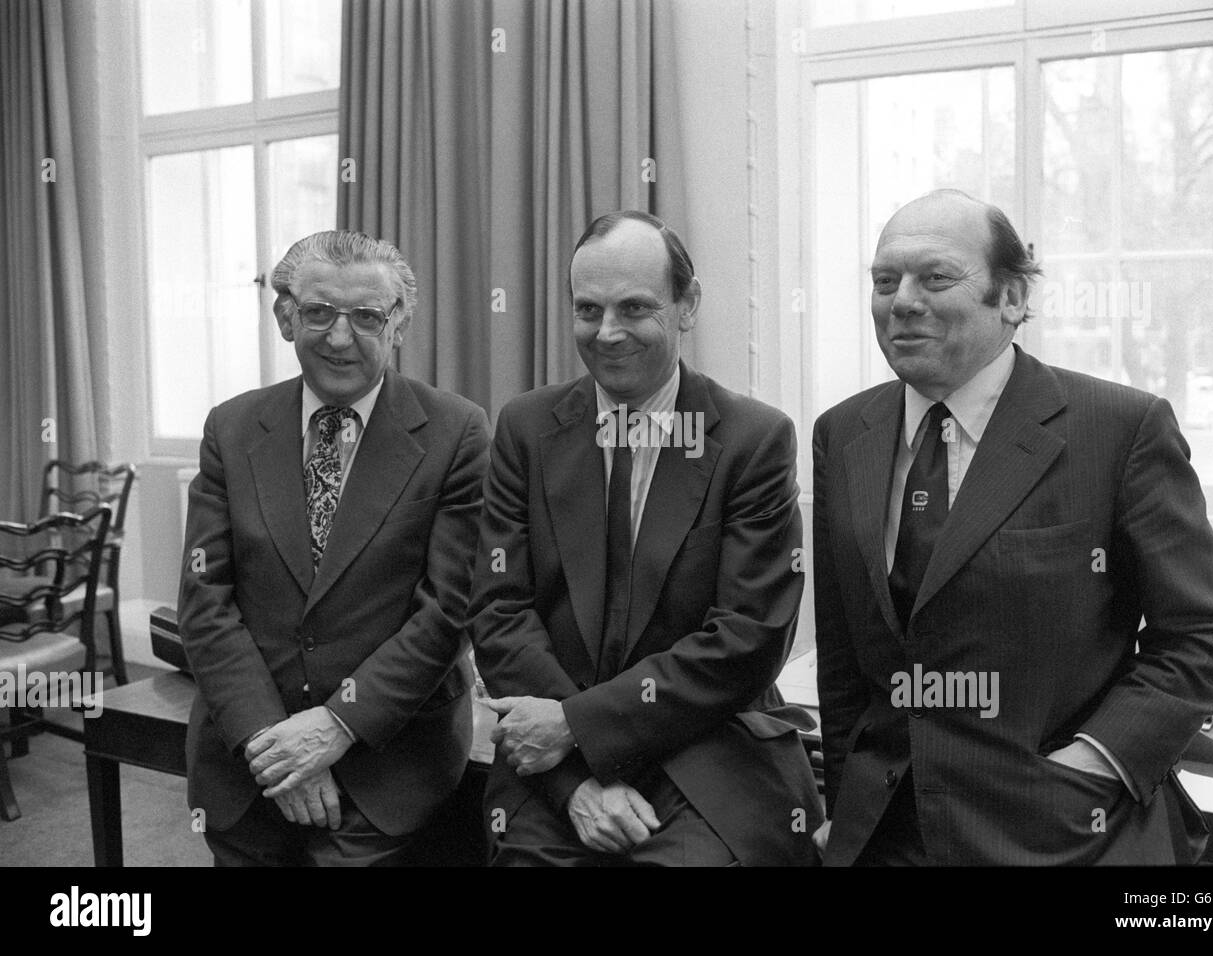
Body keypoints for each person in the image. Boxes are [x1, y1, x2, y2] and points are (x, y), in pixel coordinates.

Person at [812, 189, 1213, 865]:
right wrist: (845, 809)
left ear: (1012, 299)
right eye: (884, 280)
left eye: (935, 277)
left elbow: (1204, 641)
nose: (901, 300)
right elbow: (843, 661)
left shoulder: (1118, 429)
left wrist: (1091, 765)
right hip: (887, 834)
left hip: (1069, 832)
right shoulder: (842, 435)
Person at [469, 210, 822, 866]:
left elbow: (747, 640)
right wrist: (572, 779)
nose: (607, 333)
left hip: (709, 753)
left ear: (687, 305)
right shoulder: (525, 428)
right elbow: (498, 611)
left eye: (635, 307)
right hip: (552, 766)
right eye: (587, 309)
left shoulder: (753, 441)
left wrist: (578, 728)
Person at [179, 229, 490, 865]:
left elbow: (449, 611)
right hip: (249, 764)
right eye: (319, 312)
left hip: (389, 770)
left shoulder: (458, 433)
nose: (340, 337)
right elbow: (204, 602)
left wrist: (333, 727)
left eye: (367, 317)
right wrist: (274, 743)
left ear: (398, 323)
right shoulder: (231, 428)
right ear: (285, 316)